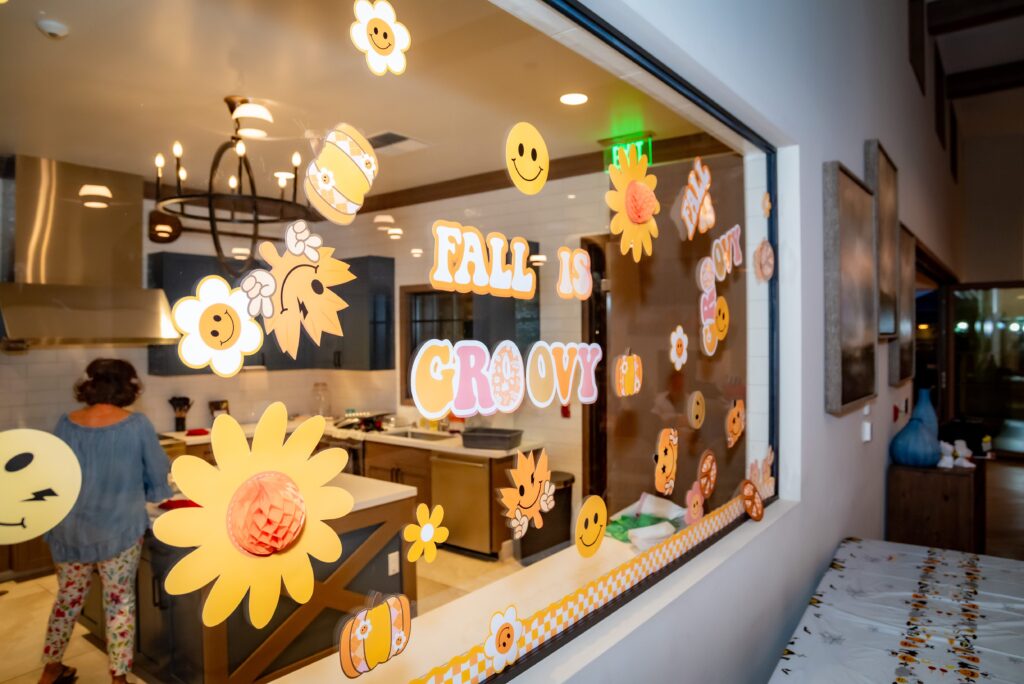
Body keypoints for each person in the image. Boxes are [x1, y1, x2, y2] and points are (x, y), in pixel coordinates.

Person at [39, 359, 171, 684]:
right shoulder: (136, 425)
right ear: (128, 387)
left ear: (89, 385)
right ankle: (118, 678)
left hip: (70, 530)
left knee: (68, 598)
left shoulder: (66, 423)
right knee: (119, 602)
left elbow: (54, 475)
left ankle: (51, 670)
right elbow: (157, 475)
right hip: (120, 530)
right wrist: (156, 491)